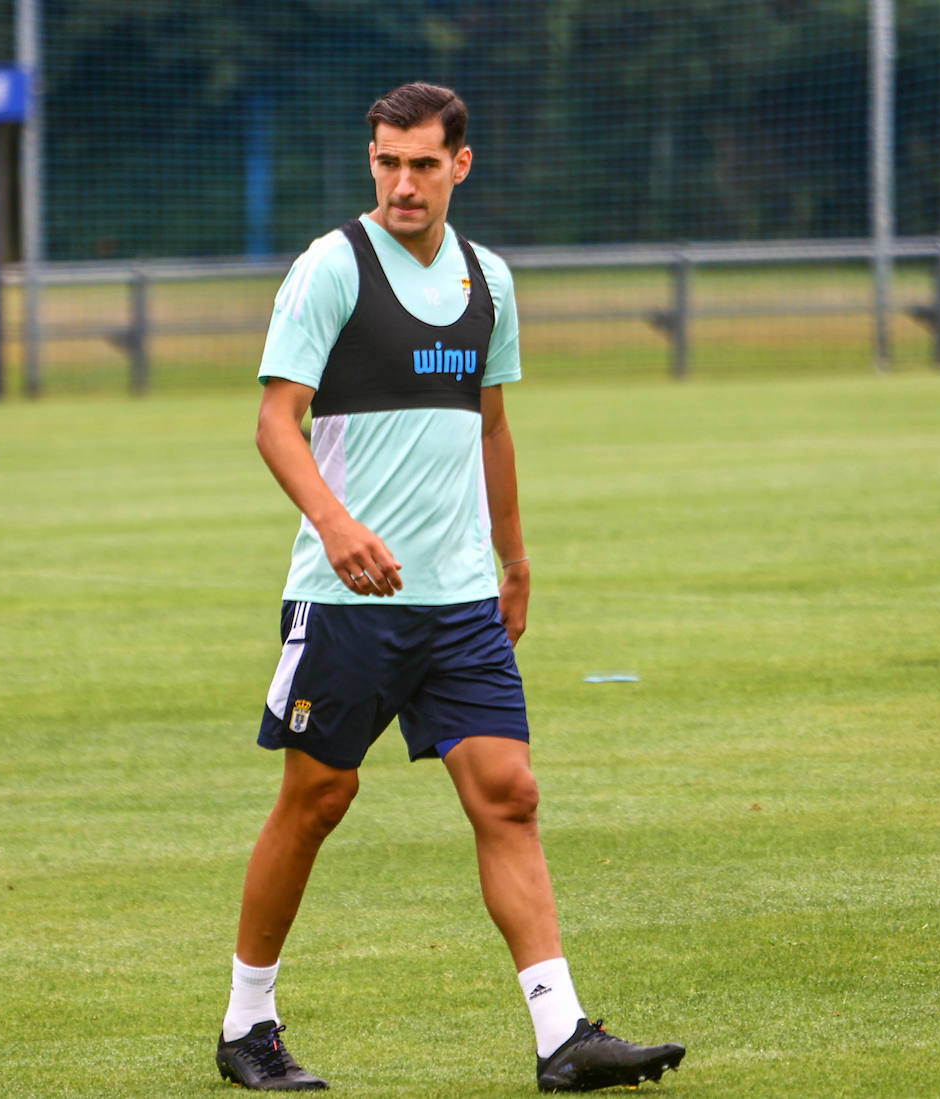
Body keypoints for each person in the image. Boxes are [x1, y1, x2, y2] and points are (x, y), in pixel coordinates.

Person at [213, 82, 685, 1093]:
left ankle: (562, 1035)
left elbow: (493, 425)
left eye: (423, 163)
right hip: (346, 600)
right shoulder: (330, 267)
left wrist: (514, 559)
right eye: (386, 161)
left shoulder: (489, 280)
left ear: (460, 164)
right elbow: (273, 423)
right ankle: (247, 1026)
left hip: (461, 599)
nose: (402, 183)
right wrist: (337, 529)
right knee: (317, 795)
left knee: (508, 793)